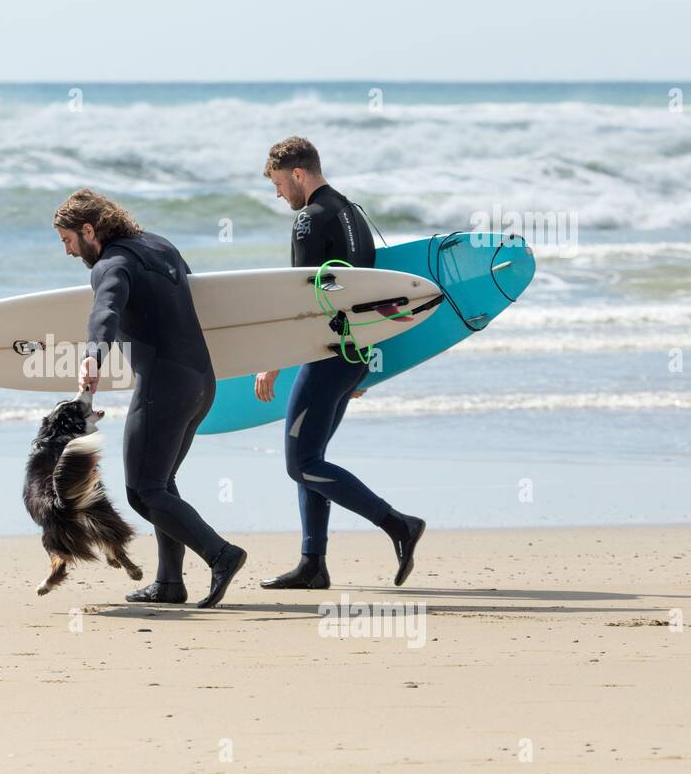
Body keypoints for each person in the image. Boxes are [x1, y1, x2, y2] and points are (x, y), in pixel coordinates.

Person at [54, 189, 247, 608]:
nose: (68, 251)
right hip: (201, 383)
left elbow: (104, 311)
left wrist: (92, 357)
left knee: (142, 491)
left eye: (68, 240)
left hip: (164, 386)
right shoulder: (160, 245)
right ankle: (170, 583)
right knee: (162, 484)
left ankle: (221, 554)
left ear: (89, 230)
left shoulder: (111, 264)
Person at [255, 137, 426, 589]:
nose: (278, 195)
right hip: (353, 354)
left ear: (297, 173)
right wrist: (367, 362)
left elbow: (303, 298)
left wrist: (273, 361)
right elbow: (369, 293)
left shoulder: (310, 222)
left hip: (326, 356)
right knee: (313, 458)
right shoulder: (352, 213)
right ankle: (313, 564)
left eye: (277, 184)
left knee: (300, 463)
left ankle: (398, 525)